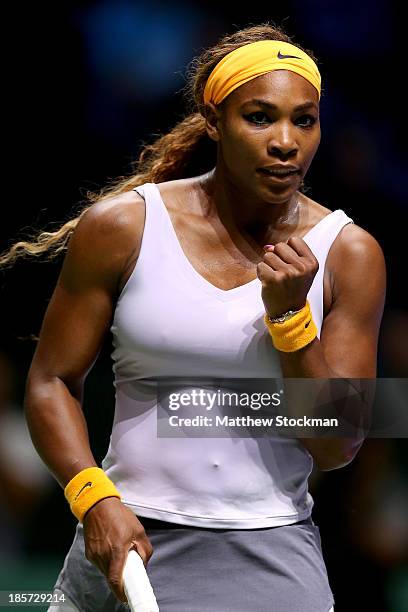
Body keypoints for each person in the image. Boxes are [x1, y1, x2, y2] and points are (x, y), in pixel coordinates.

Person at [0, 22, 386, 612]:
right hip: (124, 543)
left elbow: (337, 446)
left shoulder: (350, 253)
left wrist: (290, 321)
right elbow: (51, 381)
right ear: (213, 121)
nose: (285, 141)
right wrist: (92, 499)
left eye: (303, 120)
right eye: (259, 117)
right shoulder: (123, 227)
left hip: (269, 551)